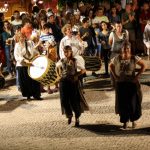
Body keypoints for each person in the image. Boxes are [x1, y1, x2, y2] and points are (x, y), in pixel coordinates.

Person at [109, 41, 146, 129]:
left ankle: (133, 120)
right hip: (121, 84)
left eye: (128, 48)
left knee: (132, 103)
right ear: (121, 49)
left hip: (131, 84)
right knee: (122, 103)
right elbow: (110, 66)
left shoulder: (134, 58)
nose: (126, 50)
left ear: (130, 49)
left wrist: (137, 76)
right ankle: (125, 121)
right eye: (124, 48)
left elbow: (144, 65)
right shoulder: (117, 58)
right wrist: (115, 77)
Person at [56, 45, 89, 127]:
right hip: (63, 82)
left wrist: (76, 75)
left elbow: (83, 70)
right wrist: (59, 75)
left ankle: (77, 118)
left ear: (71, 51)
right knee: (64, 100)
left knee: (74, 101)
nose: (66, 53)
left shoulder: (75, 60)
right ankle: (69, 115)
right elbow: (56, 67)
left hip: (72, 82)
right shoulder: (62, 60)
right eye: (65, 52)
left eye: (67, 51)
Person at [14, 32, 42, 100]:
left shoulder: (29, 43)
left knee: (34, 79)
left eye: (23, 37)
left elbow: (34, 51)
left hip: (31, 63)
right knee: (25, 81)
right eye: (20, 37)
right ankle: (28, 95)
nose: (22, 38)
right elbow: (17, 56)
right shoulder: (17, 45)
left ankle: (36, 95)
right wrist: (24, 61)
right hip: (22, 65)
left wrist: (38, 55)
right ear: (18, 38)